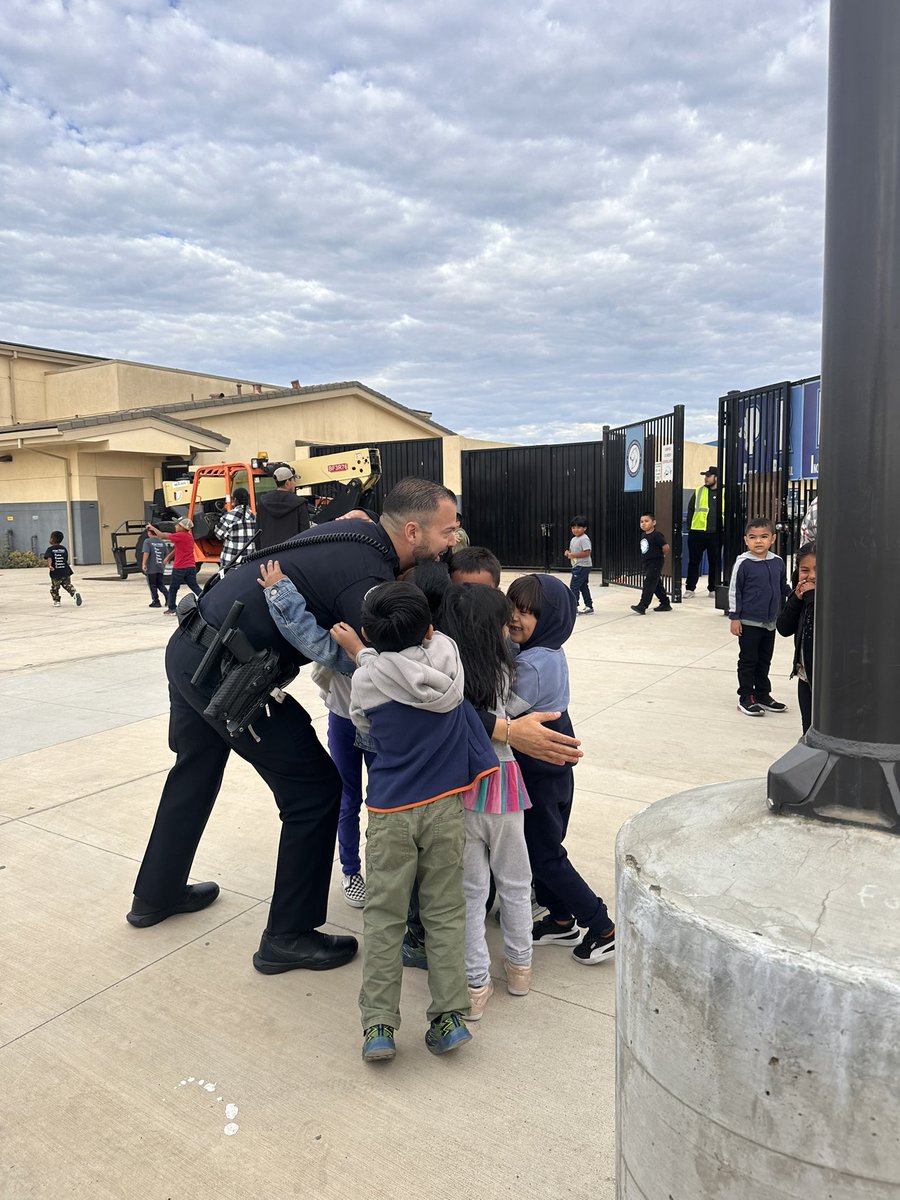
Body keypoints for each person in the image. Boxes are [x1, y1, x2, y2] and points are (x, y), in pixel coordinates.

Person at [125, 479, 466, 976]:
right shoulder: (366, 578)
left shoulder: (356, 532)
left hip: (190, 648)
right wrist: (499, 730)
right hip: (230, 677)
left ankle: (155, 895)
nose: (451, 541)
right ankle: (288, 936)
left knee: (194, 770)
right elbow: (403, 676)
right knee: (315, 790)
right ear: (412, 531)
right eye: (447, 531)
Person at [331, 581, 499, 1062]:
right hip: (445, 808)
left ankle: (379, 1026)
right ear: (429, 628)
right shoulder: (449, 656)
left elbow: (364, 724)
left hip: (390, 813)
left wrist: (360, 652)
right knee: (445, 914)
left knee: (384, 919)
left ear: (367, 631)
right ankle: (448, 1017)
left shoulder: (366, 681)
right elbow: (419, 656)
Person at [507, 573, 616, 966]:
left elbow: (504, 712)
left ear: (550, 617)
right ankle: (560, 918)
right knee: (541, 849)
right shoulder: (545, 651)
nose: (516, 618)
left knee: (544, 854)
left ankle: (602, 926)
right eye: (513, 608)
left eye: (527, 612)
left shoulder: (534, 664)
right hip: (551, 769)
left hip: (541, 772)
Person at [438, 583, 534, 1020]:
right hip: (504, 787)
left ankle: (476, 985)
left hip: (460, 791)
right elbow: (523, 710)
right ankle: (519, 968)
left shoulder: (446, 678)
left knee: (469, 894)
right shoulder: (507, 672)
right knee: (515, 885)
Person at [727, 517, 791, 717]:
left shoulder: (778, 562)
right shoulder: (743, 563)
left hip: (769, 622)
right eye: (753, 537)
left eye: (764, 537)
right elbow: (734, 591)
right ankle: (746, 697)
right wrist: (734, 617)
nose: (758, 541)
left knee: (764, 660)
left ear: (772, 538)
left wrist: (796, 594)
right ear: (746, 540)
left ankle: (763, 694)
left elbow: (783, 588)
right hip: (748, 621)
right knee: (748, 660)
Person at [776, 541, 816, 734]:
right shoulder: (802, 596)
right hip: (805, 676)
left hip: (825, 680)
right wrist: (796, 599)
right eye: (804, 570)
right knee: (807, 730)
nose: (812, 576)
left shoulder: (834, 598)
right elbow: (783, 628)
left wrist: (811, 597)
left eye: (818, 569)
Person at [147, 518, 202, 615]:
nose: (175, 526)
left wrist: (152, 528)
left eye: (177, 525)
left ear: (182, 527)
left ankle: (172, 608)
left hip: (180, 567)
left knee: (173, 588)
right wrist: (168, 557)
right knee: (194, 586)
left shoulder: (180, 535)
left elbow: (162, 536)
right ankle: (205, 599)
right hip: (191, 567)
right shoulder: (189, 537)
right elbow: (177, 549)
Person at [685, 467, 720, 596]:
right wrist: (690, 528)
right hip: (697, 532)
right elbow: (690, 509)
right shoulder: (699, 491)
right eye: (705, 475)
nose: (706, 478)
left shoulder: (724, 492)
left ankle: (713, 589)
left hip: (715, 533)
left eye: (709, 475)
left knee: (714, 562)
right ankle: (690, 589)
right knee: (694, 561)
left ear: (716, 477)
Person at [256, 465, 310, 549]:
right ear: (287, 482)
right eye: (293, 480)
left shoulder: (263, 502)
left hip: (267, 554)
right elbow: (305, 533)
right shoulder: (299, 503)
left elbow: (258, 532)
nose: (294, 483)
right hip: (291, 553)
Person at [630, 512, 672, 615]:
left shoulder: (657, 535)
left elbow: (666, 547)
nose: (643, 524)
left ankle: (643, 605)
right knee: (656, 583)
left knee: (649, 583)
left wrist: (662, 555)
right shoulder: (643, 535)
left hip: (655, 562)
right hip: (647, 563)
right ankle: (665, 603)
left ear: (654, 522)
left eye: (646, 521)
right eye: (641, 522)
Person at [214, 487, 257, 570]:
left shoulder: (229, 516)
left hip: (231, 561)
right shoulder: (255, 516)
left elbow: (218, 534)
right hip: (250, 561)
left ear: (235, 500)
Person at [44, 531, 82, 607]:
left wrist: (50, 566)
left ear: (52, 539)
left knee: (55, 588)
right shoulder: (63, 549)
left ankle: (57, 601)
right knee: (67, 585)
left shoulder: (50, 549)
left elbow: (49, 558)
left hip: (56, 572)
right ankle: (74, 593)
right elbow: (65, 559)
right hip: (65, 571)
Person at [565, 515, 594, 614]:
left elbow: (587, 552)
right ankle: (589, 606)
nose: (575, 530)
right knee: (583, 586)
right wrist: (568, 552)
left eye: (578, 527)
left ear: (584, 528)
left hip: (582, 566)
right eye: (573, 527)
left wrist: (573, 555)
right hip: (577, 566)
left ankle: (574, 607)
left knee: (574, 586)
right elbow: (572, 551)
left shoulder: (584, 539)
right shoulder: (574, 539)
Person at [141, 531, 170, 608]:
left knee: (152, 585)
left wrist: (144, 564)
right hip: (160, 567)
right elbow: (167, 554)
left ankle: (156, 601)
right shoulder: (162, 542)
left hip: (151, 567)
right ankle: (168, 598)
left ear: (150, 533)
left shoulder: (147, 541)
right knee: (160, 584)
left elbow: (146, 553)